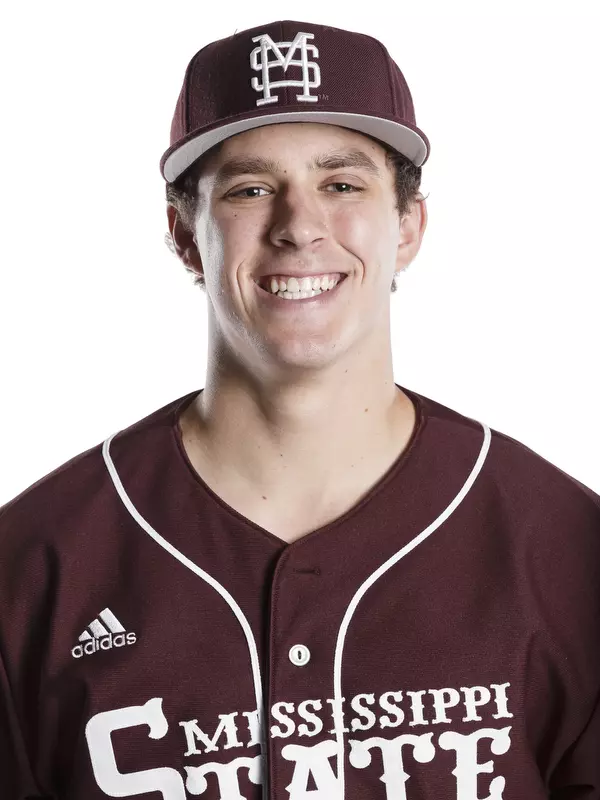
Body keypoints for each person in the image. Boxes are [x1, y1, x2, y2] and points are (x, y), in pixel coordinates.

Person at [0, 18, 598, 800]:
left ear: (409, 226)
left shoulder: (569, 551)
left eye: (342, 184)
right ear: (185, 235)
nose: (299, 227)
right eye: (251, 188)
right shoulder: (34, 566)